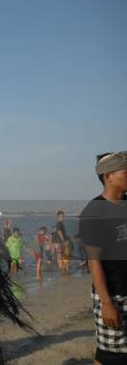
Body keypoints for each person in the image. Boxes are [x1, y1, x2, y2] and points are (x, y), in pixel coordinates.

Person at [79, 151, 127, 365]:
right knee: (110, 353)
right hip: (114, 294)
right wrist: (107, 303)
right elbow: (94, 261)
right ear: (108, 176)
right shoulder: (94, 212)